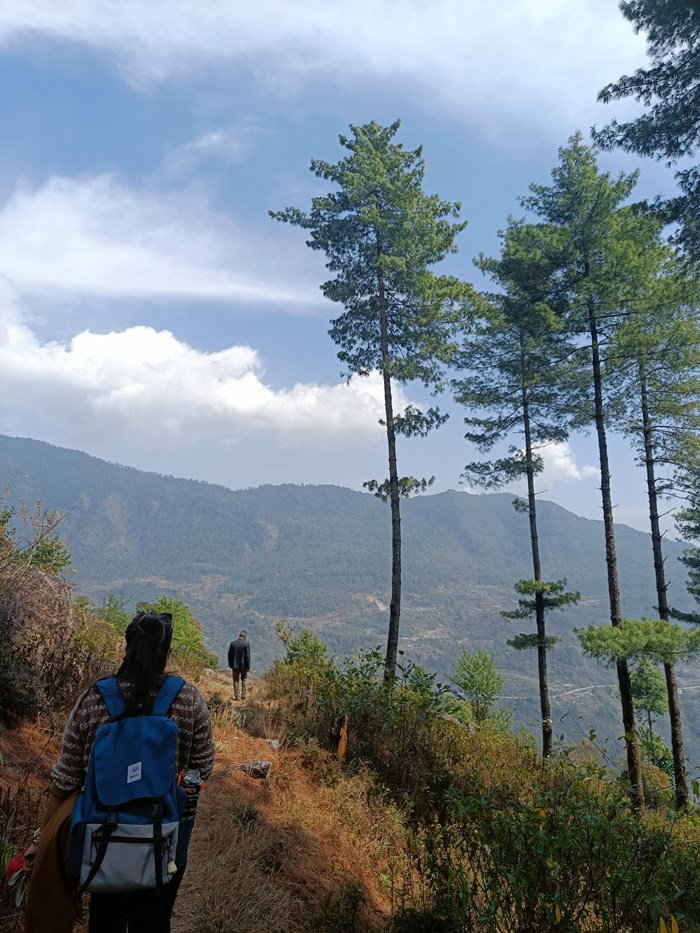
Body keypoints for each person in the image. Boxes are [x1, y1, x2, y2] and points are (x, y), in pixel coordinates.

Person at [24, 610, 215, 933]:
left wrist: (40, 840)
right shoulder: (189, 700)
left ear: (126, 646)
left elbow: (66, 779)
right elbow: (203, 768)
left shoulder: (94, 698)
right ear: (166, 653)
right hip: (164, 838)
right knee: (154, 921)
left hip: (103, 840)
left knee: (105, 919)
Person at [227, 630, 250, 701]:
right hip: (244, 666)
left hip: (235, 666)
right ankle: (243, 696)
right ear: (245, 637)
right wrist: (248, 667)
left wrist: (230, 664)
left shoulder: (233, 643)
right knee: (244, 680)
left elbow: (229, 655)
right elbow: (247, 657)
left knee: (236, 680)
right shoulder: (246, 644)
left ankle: (237, 696)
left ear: (239, 636)